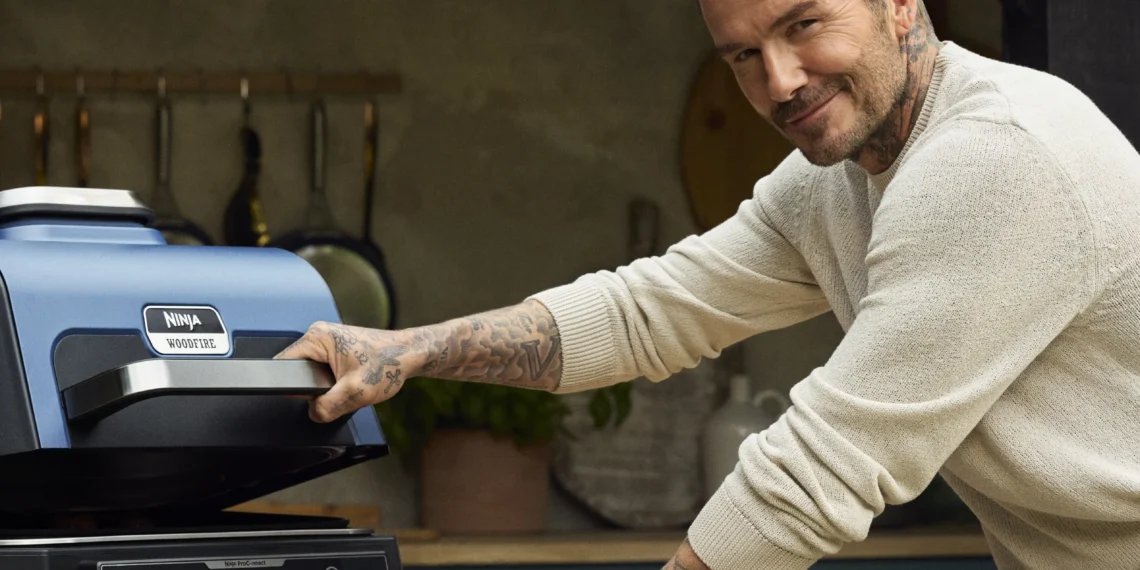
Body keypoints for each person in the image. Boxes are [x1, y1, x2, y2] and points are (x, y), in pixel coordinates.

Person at [276, 0, 1140, 568]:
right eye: (742, 57)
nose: (780, 82)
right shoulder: (832, 185)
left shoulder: (994, 156)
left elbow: (820, 467)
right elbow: (651, 309)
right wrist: (407, 348)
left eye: (804, 24)